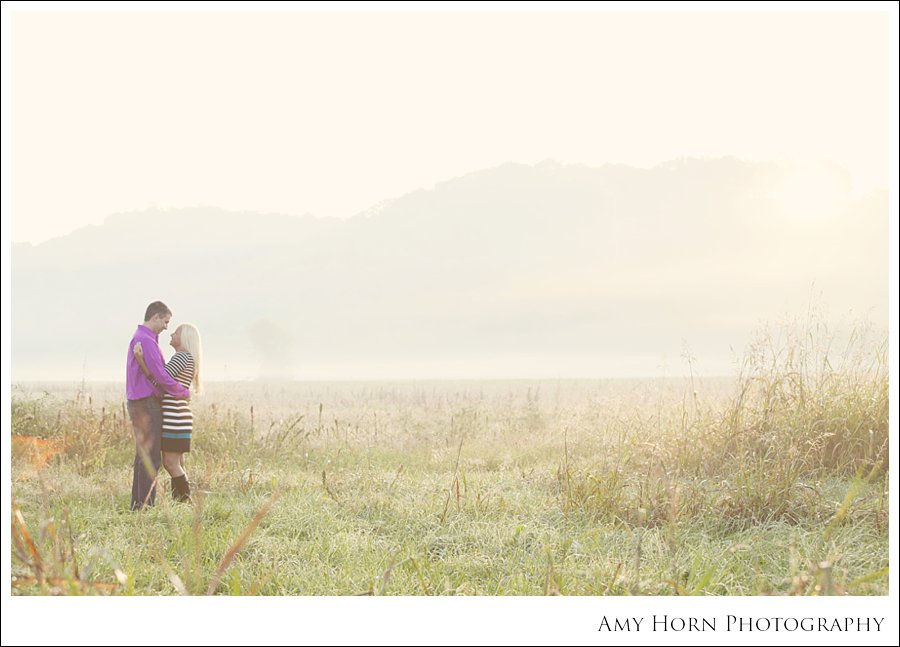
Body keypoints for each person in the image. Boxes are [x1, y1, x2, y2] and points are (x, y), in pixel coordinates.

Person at [126, 301, 190, 511]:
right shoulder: (146, 341)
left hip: (140, 402)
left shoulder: (144, 339)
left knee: (144, 454)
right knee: (151, 457)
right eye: (165, 321)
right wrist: (182, 392)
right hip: (147, 404)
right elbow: (162, 376)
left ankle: (138, 505)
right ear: (155, 317)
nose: (166, 327)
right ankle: (145, 506)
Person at [134, 322, 202, 503]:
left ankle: (185, 501)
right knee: (176, 463)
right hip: (179, 415)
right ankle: (181, 502)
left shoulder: (182, 357)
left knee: (170, 464)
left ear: (184, 338)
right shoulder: (187, 358)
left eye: (176, 332)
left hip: (175, 416)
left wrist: (141, 361)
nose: (171, 334)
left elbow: (160, 381)